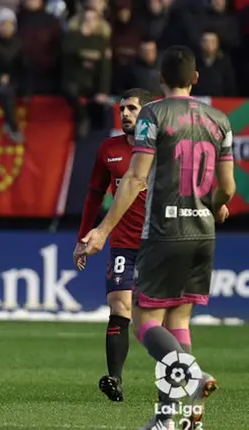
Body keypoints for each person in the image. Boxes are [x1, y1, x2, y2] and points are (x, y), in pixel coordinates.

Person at [79, 46, 235, 430]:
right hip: (203, 231)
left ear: (161, 80)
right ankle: (174, 418)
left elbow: (134, 179)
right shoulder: (220, 120)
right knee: (179, 320)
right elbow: (227, 189)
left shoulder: (154, 115)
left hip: (164, 232)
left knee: (146, 322)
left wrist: (101, 230)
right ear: (196, 78)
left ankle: (192, 376)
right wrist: (212, 204)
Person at [73, 88, 152, 402]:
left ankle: (180, 375)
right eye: (123, 110)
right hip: (121, 242)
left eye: (132, 108)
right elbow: (94, 193)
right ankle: (115, 380)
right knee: (119, 307)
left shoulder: (163, 148)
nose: (126, 115)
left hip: (159, 243)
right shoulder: (109, 149)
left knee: (153, 318)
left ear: (148, 112)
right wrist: (84, 236)